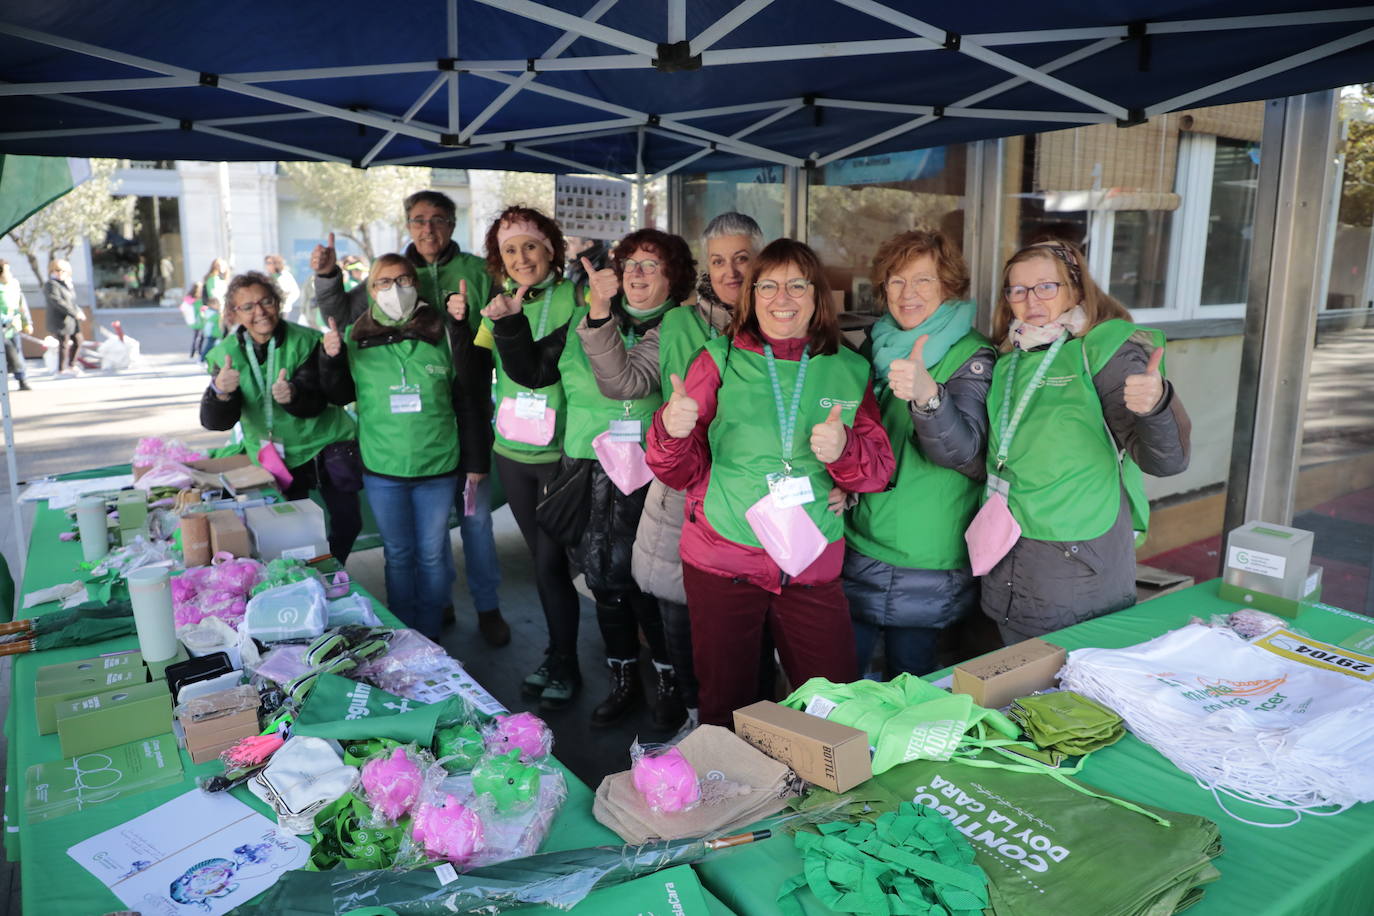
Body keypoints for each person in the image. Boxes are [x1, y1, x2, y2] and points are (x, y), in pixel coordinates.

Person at [646, 238, 895, 728]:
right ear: (752, 297)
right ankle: (734, 795)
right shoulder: (717, 360)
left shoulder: (849, 367)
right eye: (769, 286)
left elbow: (878, 471)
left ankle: (825, 797)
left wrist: (844, 451)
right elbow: (679, 470)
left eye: (797, 285)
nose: (783, 298)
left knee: (832, 704)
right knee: (727, 702)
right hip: (723, 556)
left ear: (816, 295)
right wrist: (671, 431)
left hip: (810, 560)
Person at [486, 228, 695, 729]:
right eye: (630, 264)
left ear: (674, 276)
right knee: (604, 583)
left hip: (651, 477)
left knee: (649, 588)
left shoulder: (681, 328)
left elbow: (626, 380)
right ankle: (622, 677)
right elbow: (534, 372)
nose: (637, 274)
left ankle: (667, 681)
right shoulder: (586, 318)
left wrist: (600, 313)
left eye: (651, 265)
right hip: (585, 472)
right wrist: (512, 327)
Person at [574, 212, 762, 731]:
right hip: (688, 489)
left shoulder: (783, 318)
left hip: (762, 496)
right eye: (719, 260)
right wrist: (598, 315)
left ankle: (749, 728)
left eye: (742, 259)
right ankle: (695, 717)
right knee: (678, 611)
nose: (730, 271)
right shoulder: (680, 322)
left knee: (751, 625)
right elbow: (627, 381)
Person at [312, 192, 503, 638]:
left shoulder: (477, 273)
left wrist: (464, 328)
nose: (428, 229)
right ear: (408, 225)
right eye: (418, 220)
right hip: (395, 454)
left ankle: (487, 607)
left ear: (453, 223)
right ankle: (434, 613)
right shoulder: (385, 287)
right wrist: (326, 276)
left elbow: (497, 337)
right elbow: (340, 320)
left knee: (472, 526)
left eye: (438, 219)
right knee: (410, 550)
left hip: (462, 420)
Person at [982, 240, 1191, 642]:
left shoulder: (1105, 350)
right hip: (1008, 548)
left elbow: (1167, 461)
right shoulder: (1009, 357)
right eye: (1018, 290)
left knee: (1070, 684)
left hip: (1076, 558)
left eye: (1047, 286)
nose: (1031, 300)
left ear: (1076, 290)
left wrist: (1157, 404)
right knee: (1018, 683)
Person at [842, 230, 995, 678]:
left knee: (913, 685)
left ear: (949, 286)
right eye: (896, 281)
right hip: (861, 538)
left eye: (923, 280)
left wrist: (930, 398)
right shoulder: (877, 344)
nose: (908, 294)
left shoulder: (972, 356)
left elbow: (967, 453)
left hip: (926, 555)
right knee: (846, 684)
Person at [464, 207, 582, 699]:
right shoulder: (498, 305)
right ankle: (558, 656)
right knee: (540, 561)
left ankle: (567, 665)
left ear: (551, 248)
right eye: (510, 250)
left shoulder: (579, 297)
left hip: (559, 454)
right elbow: (475, 370)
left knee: (553, 563)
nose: (521, 257)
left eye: (530, 246)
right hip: (512, 453)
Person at [200, 271, 364, 561]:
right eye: (248, 307)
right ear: (233, 313)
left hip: (329, 444)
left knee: (348, 522)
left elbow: (321, 398)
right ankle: (304, 578)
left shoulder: (307, 341)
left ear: (278, 302)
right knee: (290, 529)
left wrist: (294, 395)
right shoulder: (223, 355)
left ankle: (332, 569)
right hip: (276, 456)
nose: (260, 312)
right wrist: (220, 392)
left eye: (266, 301)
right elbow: (217, 422)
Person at [43, 259, 83, 375]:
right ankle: (61, 369)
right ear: (52, 271)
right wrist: (74, 313)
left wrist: (78, 312)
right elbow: (58, 302)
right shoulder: (51, 284)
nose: (59, 273)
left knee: (78, 340)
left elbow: (72, 301)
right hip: (60, 320)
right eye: (57, 270)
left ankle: (72, 365)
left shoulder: (67, 284)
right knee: (64, 344)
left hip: (71, 320)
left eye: (62, 270)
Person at [0, 260, 33, 391]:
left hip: (14, 327)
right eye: (6, 270)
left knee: (17, 353)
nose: (9, 273)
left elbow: (22, 306)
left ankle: (22, 379)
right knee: (8, 353)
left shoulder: (14, 285)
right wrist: (6, 319)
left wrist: (27, 323)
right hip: (3, 327)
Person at [264, 254, 301, 320]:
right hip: (271, 309)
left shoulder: (285, 275)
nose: (268, 265)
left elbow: (295, 292)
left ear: (276, 264)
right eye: (267, 263)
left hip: (282, 309)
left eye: (270, 263)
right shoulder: (268, 277)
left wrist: (286, 302)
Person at [182, 281, 206, 359]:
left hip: (200, 319)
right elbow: (185, 307)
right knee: (198, 336)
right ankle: (195, 351)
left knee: (200, 336)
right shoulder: (192, 298)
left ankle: (197, 351)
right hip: (197, 320)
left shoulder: (199, 297)